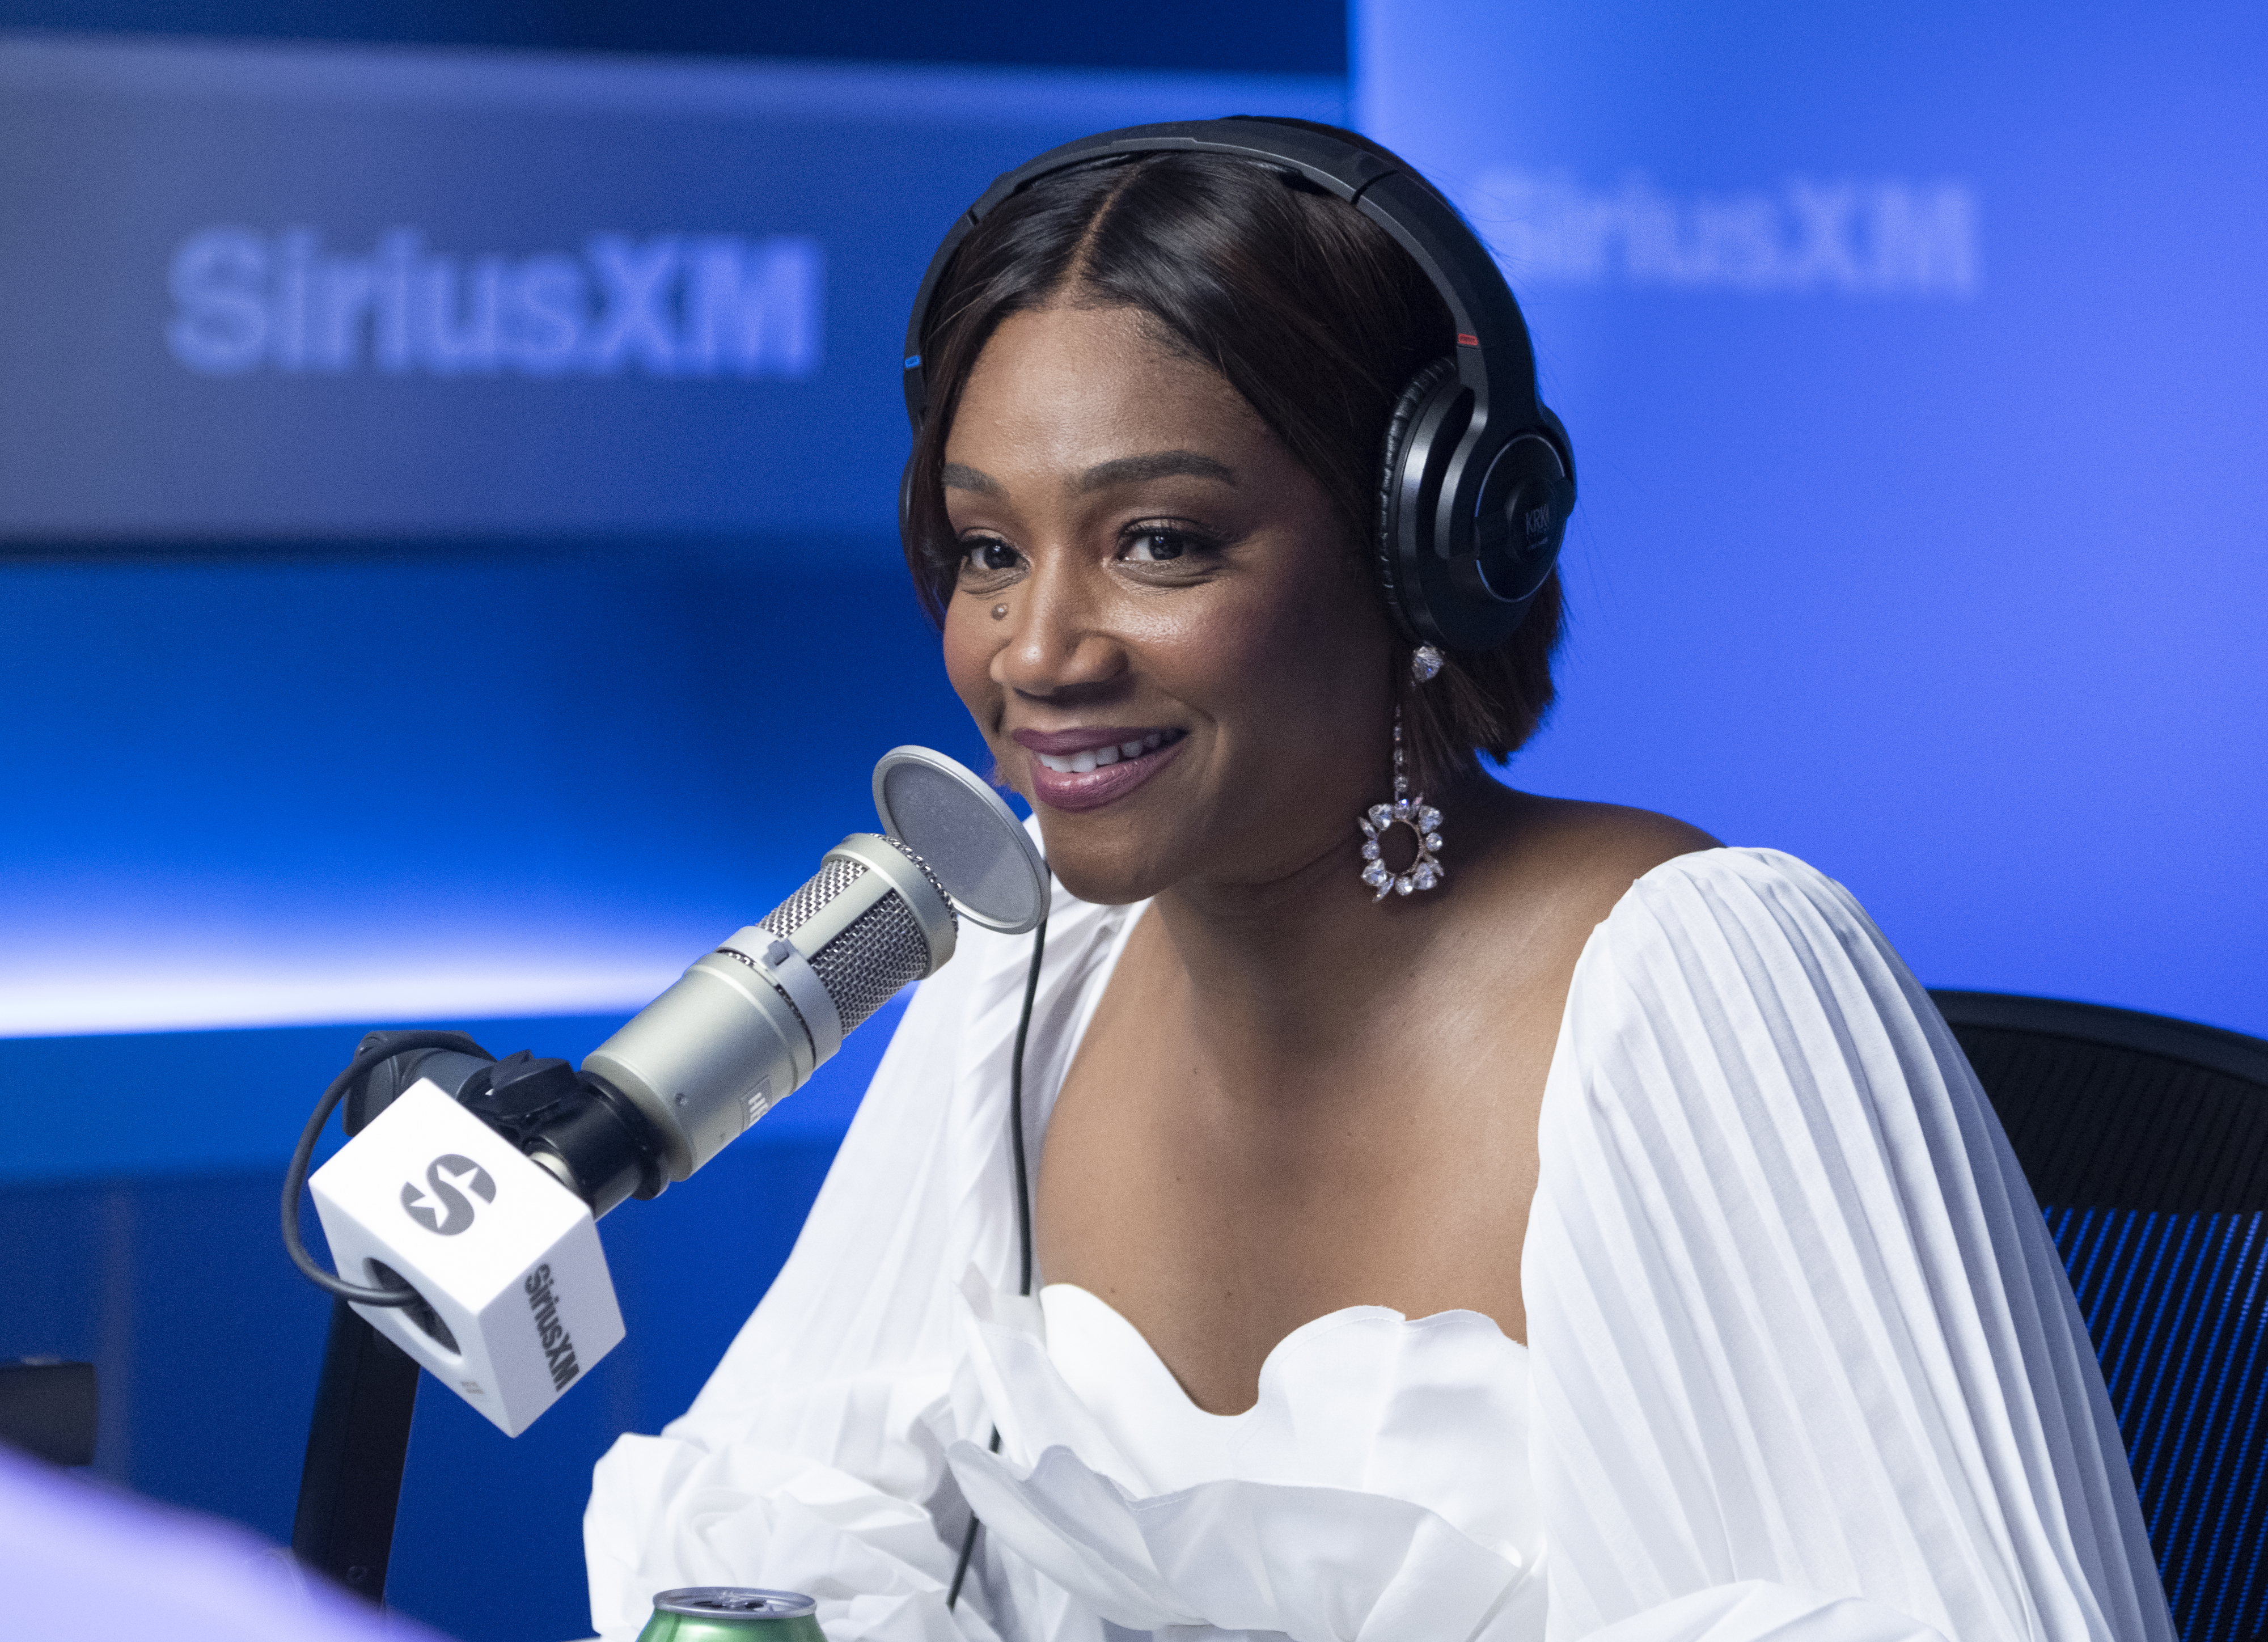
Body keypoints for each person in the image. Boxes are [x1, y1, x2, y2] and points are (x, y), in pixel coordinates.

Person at [582, 124, 2172, 1642]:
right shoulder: (1021, 976)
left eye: (1159, 542)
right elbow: (776, 1537)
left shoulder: (1704, 982)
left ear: (1426, 547)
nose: (1039, 654)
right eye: (988, 550)